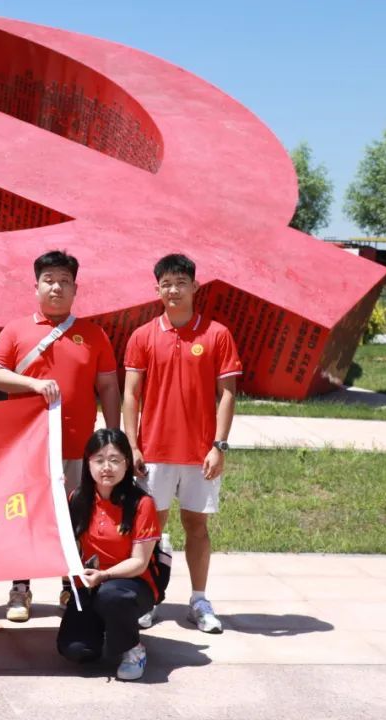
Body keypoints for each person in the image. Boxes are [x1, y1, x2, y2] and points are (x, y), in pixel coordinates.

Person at [0, 249, 120, 622]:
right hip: (26, 448)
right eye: (49, 280)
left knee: (76, 516)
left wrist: (113, 437)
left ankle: (70, 585)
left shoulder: (93, 334)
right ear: (36, 287)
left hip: (77, 446)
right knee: (26, 516)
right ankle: (20, 589)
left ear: (75, 288)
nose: (56, 287)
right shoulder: (16, 330)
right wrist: (32, 384)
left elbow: (108, 387)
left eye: (64, 281)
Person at [122, 253, 242, 634]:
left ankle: (199, 600)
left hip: (199, 453)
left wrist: (219, 446)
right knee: (149, 529)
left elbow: (227, 394)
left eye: (180, 283)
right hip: (153, 453)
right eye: (166, 284)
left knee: (196, 526)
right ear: (157, 289)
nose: (173, 290)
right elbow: (130, 396)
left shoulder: (217, 334)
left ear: (195, 286)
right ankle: (148, 598)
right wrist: (132, 446)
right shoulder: (142, 336)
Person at [57, 428, 160, 681]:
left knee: (112, 596)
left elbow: (139, 562)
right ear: (88, 463)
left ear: (127, 463)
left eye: (115, 460)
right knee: (77, 651)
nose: (106, 467)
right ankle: (108, 628)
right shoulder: (77, 498)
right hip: (91, 585)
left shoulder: (142, 503)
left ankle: (133, 648)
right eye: (99, 460)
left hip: (132, 585)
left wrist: (104, 575)